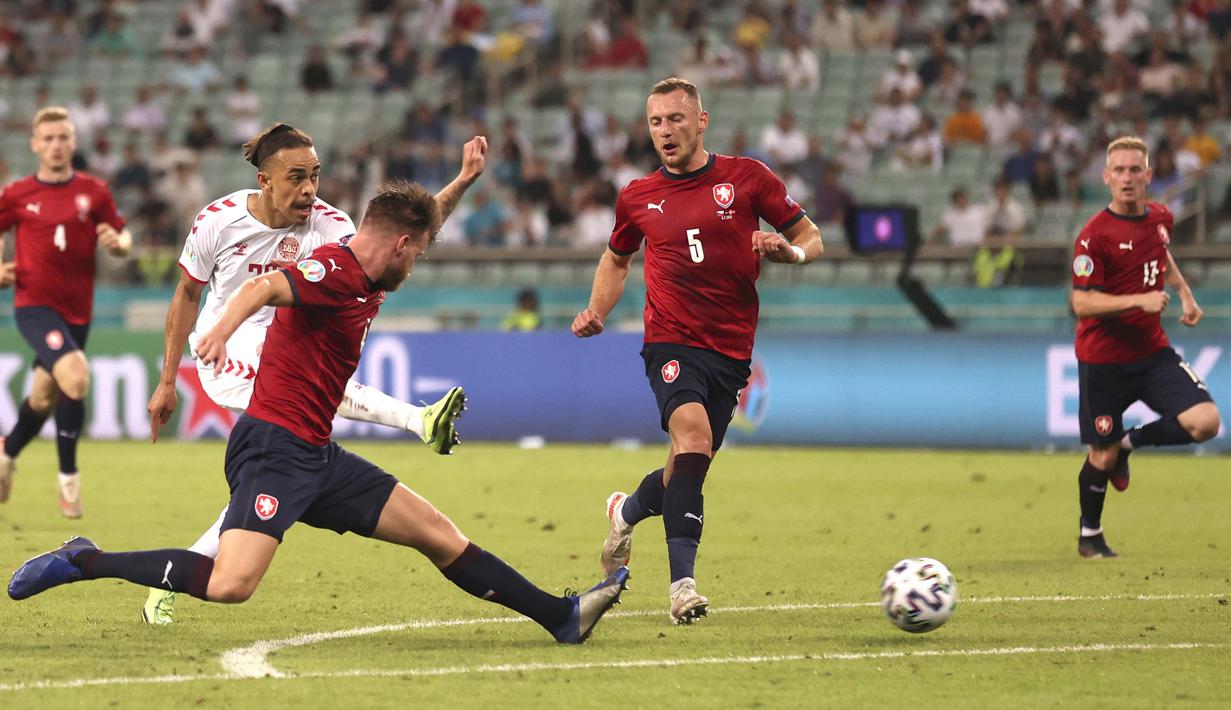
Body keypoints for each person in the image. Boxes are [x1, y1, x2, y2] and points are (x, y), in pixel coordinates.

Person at [9, 181, 629, 645]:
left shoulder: (373, 259)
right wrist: (220, 331)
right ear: (401, 246)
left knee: (438, 534)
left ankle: (561, 617)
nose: (415, 269)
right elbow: (265, 286)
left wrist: (463, 180)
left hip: (318, 455)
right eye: (416, 256)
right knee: (230, 585)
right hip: (274, 450)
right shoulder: (334, 269)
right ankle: (84, 560)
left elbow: (421, 219)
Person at [140, 123, 476, 625]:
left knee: (272, 478)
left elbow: (399, 238)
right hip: (224, 350)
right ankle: (417, 420)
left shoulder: (329, 225)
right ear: (265, 180)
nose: (309, 189)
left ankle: (171, 577)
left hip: (287, 338)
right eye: (296, 177)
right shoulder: (217, 221)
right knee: (304, 397)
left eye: (315, 176)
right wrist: (168, 380)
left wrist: (463, 179)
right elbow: (187, 294)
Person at [572, 78, 822, 624]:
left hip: (731, 350)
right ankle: (681, 587)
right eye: (656, 121)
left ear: (701, 122)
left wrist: (788, 255)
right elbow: (617, 258)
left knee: (686, 469)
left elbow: (811, 237)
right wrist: (598, 309)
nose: (665, 130)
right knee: (692, 436)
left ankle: (626, 511)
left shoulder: (748, 178)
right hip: (670, 339)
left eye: (676, 119)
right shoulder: (637, 195)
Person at [1069, 136, 1222, 558]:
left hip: (1152, 353)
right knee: (1099, 455)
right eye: (1118, 170)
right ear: (1105, 178)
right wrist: (1138, 299)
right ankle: (1090, 536)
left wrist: (1184, 291)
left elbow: (1162, 254)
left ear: (1149, 176)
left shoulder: (1160, 217)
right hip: (1102, 361)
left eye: (1135, 170)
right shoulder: (1093, 237)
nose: (1127, 178)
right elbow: (1081, 302)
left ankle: (1128, 445)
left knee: (1206, 422)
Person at [0, 107, 134, 518]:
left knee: (42, 397)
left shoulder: (94, 192)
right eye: (49, 138)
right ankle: (68, 482)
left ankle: (6, 453)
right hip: (34, 307)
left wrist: (119, 245)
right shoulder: (18, 193)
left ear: (74, 143)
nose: (56, 145)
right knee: (76, 378)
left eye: (63, 137)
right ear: (35, 144)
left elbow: (123, 234)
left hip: (79, 312)